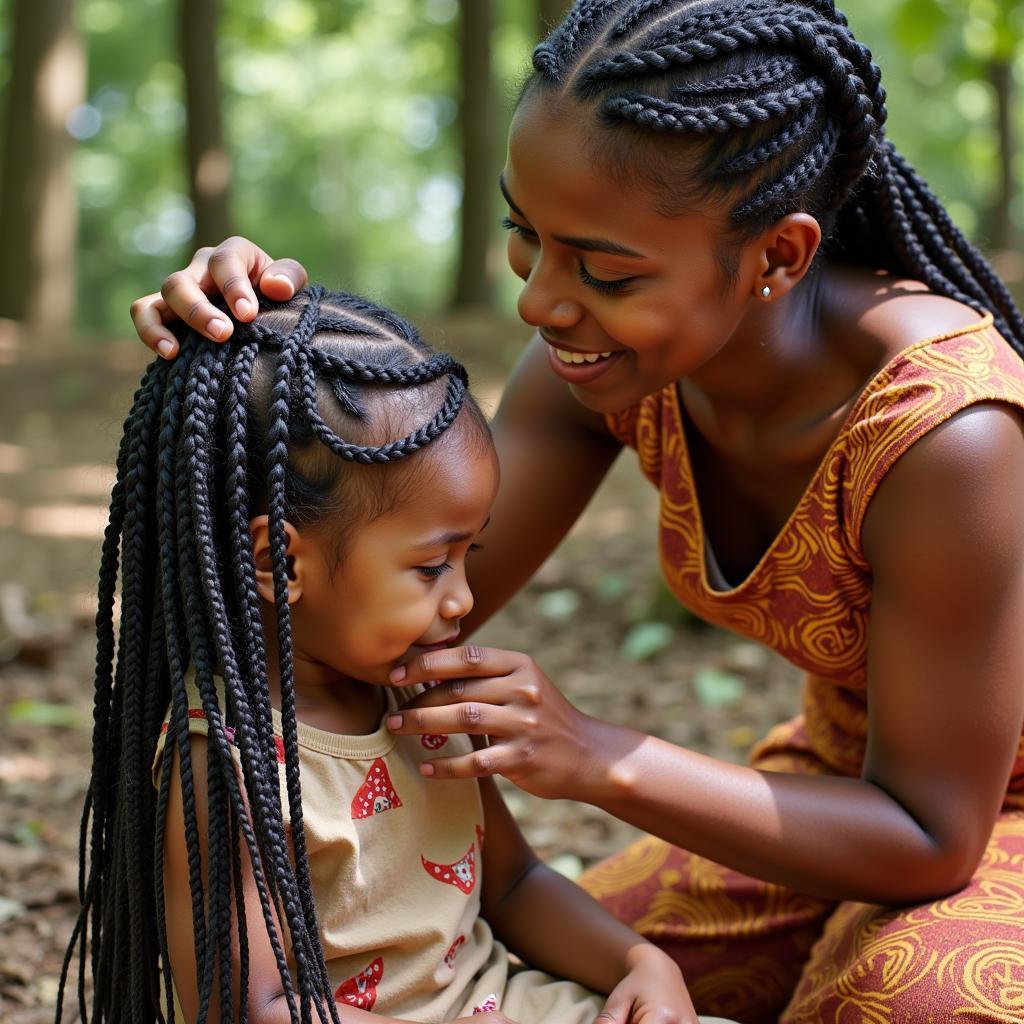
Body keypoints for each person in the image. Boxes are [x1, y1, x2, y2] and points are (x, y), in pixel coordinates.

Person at [129, 3, 1024, 1022]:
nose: (540, 301)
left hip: (959, 813)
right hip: (835, 782)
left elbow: (929, 830)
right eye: (524, 233)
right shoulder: (608, 359)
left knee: (906, 1003)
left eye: (604, 269)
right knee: (547, 964)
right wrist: (252, 344)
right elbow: (382, 560)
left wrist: (595, 757)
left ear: (778, 256)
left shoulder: (949, 431)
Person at [59, 285, 738, 1024]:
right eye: (430, 567)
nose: (462, 600)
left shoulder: (421, 698)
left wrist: (640, 964)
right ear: (280, 564)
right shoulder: (228, 760)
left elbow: (511, 887)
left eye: (468, 555)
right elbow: (251, 1009)